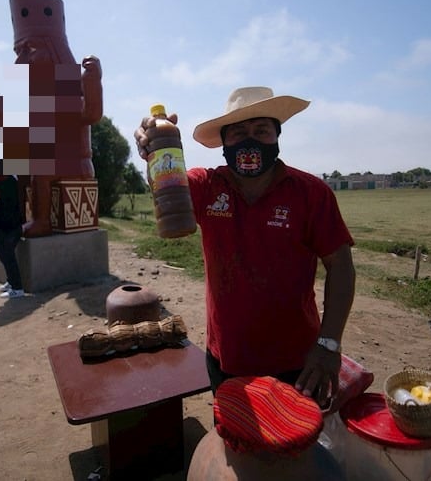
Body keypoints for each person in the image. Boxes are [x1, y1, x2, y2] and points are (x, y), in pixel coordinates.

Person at [134, 86, 356, 409]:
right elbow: (166, 186)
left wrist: (329, 344)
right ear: (223, 143)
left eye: (261, 130)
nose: (250, 141)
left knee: (298, 453)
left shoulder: (311, 194)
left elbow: (342, 267)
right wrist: (153, 152)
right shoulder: (207, 187)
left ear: (277, 136)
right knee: (234, 450)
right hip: (226, 361)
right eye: (238, 133)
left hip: (298, 362)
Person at [0, 175, 26, 299]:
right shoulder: (12, 181)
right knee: (7, 256)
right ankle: (11, 281)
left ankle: (17, 288)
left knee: (6, 256)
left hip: (3, 227)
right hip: (16, 225)